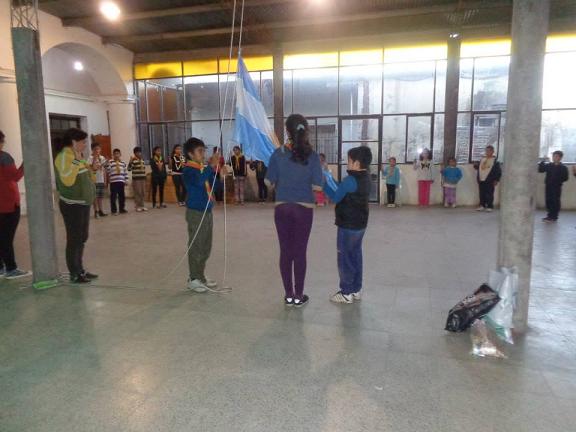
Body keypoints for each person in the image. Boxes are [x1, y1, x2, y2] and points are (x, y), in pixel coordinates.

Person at [265, 114, 324, 307]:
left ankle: (288, 295)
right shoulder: (312, 156)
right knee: (300, 252)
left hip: (282, 208)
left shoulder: (278, 153)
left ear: (287, 131)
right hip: (303, 209)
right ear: (305, 130)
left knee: (285, 251)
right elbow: (318, 186)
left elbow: (268, 182)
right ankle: (299, 295)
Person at [324, 146, 372, 304]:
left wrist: (324, 184)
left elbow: (335, 196)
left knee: (345, 257)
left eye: (349, 161)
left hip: (348, 224)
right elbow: (342, 188)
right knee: (356, 254)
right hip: (360, 224)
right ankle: (356, 289)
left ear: (357, 163)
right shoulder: (366, 177)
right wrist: (331, 178)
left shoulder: (350, 180)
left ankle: (346, 292)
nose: (347, 163)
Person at [54, 128, 97, 284]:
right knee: (74, 239)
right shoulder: (63, 157)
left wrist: (91, 168)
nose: (85, 145)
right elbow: (67, 180)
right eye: (83, 142)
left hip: (83, 204)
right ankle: (74, 273)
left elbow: (89, 177)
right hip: (72, 205)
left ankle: (80, 269)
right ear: (73, 142)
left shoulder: (76, 156)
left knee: (82, 237)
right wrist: (77, 161)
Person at [182, 138, 221, 293]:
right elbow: (199, 182)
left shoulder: (202, 168)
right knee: (197, 245)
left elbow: (213, 186)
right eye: (200, 151)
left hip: (207, 211)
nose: (203, 154)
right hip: (196, 212)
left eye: (204, 151)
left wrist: (218, 173)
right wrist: (210, 167)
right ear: (190, 154)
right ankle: (193, 279)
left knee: (206, 246)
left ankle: (200, 276)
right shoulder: (189, 170)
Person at [0, 130, 30, 279]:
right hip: (8, 203)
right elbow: (15, 176)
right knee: (6, 238)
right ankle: (11, 268)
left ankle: (0, 268)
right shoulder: (4, 157)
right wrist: (26, 164)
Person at [539, 151, 569, 222]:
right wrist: (543, 161)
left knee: (555, 201)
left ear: (560, 158)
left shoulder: (563, 167)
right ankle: (550, 216)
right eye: (553, 156)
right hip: (548, 186)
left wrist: (557, 180)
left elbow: (565, 178)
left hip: (556, 187)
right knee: (548, 200)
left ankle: (554, 216)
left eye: (556, 156)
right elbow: (541, 170)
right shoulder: (549, 165)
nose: (554, 158)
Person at [474, 145, 501, 212]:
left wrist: (496, 180)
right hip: (481, 179)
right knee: (482, 193)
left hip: (490, 180)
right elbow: (479, 167)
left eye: (489, 151)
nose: (487, 152)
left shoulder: (495, 161)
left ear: (492, 151)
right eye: (486, 151)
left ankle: (489, 206)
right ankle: (482, 205)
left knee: (489, 193)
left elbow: (498, 171)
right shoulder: (482, 159)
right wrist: (476, 165)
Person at [88, 143, 108, 218]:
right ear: (92, 150)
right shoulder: (90, 158)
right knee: (95, 197)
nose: (97, 151)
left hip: (101, 180)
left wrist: (105, 180)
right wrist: (94, 159)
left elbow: (104, 170)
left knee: (100, 196)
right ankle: (96, 211)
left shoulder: (102, 158)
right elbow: (92, 168)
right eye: (95, 149)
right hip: (94, 180)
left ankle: (100, 211)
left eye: (98, 149)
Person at [106, 149, 128, 215]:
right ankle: (114, 210)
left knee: (122, 196)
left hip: (121, 181)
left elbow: (125, 172)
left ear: (120, 154)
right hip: (113, 182)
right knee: (113, 196)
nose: (116, 155)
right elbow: (108, 170)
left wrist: (126, 180)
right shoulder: (110, 162)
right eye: (115, 154)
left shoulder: (123, 163)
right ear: (113, 155)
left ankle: (122, 209)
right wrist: (107, 163)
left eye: (118, 153)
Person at [128, 146, 148, 212]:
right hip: (136, 179)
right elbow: (129, 169)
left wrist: (145, 177)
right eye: (137, 152)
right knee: (138, 192)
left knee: (143, 192)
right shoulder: (133, 160)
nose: (139, 153)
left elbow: (143, 170)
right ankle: (137, 206)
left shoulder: (142, 160)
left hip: (142, 178)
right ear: (135, 153)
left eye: (140, 152)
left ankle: (142, 205)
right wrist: (130, 162)